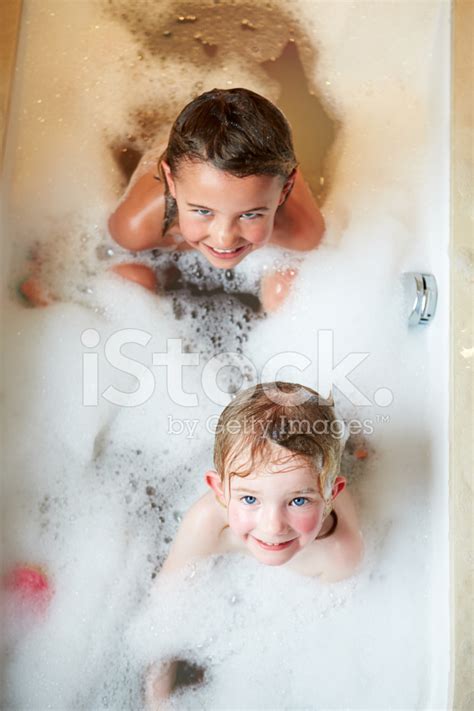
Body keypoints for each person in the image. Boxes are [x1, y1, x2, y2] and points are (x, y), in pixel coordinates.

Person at [144, 381, 364, 708]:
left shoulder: (339, 554)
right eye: (249, 498)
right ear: (219, 490)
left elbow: (328, 640)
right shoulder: (207, 523)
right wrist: (157, 695)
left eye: (299, 501)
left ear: (332, 495)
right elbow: (166, 603)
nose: (272, 526)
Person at [108, 87, 326, 312]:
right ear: (171, 182)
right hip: (182, 180)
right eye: (203, 211)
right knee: (130, 278)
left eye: (249, 214)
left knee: (289, 285)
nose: (224, 238)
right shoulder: (134, 228)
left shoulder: (303, 232)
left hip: (256, 165)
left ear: (285, 189)